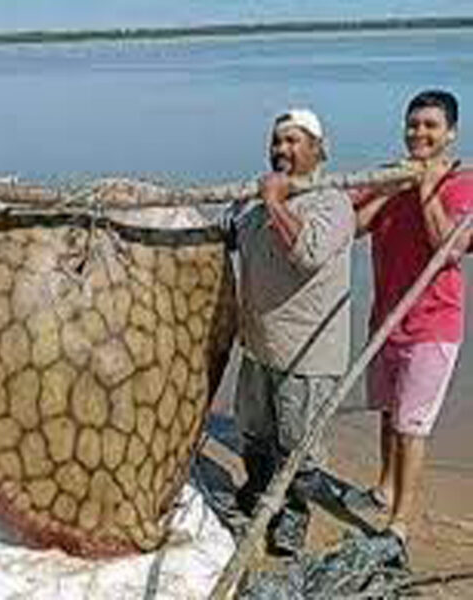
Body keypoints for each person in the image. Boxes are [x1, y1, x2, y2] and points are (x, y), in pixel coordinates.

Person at [226, 109, 355, 554]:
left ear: (318, 149)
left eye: (293, 141)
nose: (281, 149)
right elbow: (227, 236)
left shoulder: (332, 202)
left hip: (308, 351)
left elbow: (309, 253)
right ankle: (258, 496)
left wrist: (277, 203)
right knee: (254, 433)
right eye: (277, 141)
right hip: (259, 344)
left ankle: (293, 519)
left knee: (298, 451)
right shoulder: (256, 200)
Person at [351, 90, 473, 548]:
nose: (419, 133)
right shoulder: (390, 175)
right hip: (386, 320)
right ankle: (383, 488)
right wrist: (391, 187)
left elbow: (450, 247)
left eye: (430, 126)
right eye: (413, 124)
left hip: (433, 324)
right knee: (387, 414)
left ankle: (399, 524)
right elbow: (356, 226)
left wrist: (426, 186)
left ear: (450, 134)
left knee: (411, 425)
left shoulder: (462, 184)